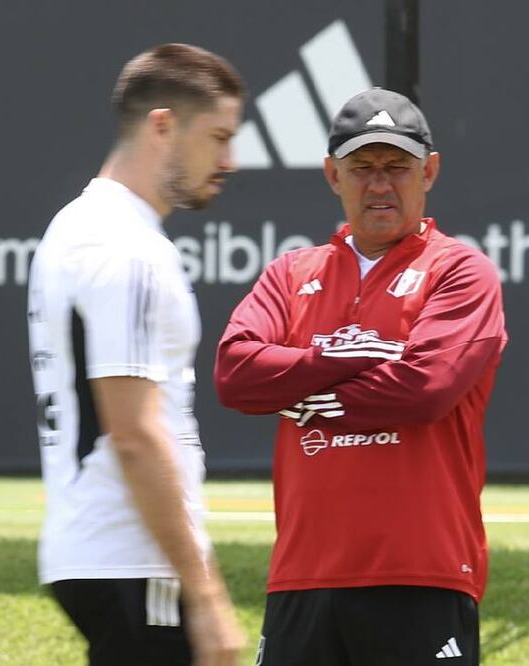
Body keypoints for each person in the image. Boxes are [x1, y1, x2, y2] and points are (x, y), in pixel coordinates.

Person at [214, 88, 507, 665]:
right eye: (361, 168)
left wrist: (297, 384)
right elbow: (236, 374)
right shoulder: (288, 274)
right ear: (331, 175)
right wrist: (351, 360)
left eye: (397, 167)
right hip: (302, 575)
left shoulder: (461, 271)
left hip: (423, 572)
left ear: (430, 171)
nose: (380, 184)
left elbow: (424, 388)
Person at [27, 44, 247, 666]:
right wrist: (204, 593)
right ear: (162, 125)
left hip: (94, 552)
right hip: (134, 558)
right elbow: (135, 432)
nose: (229, 160)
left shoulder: (75, 226)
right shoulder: (128, 247)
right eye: (219, 136)